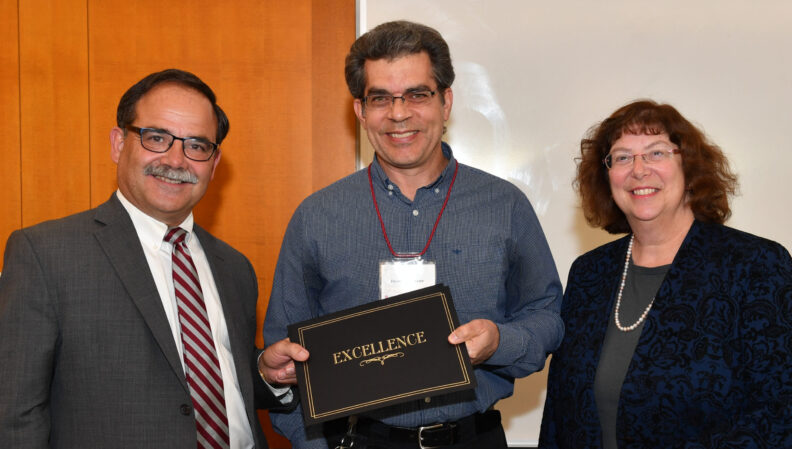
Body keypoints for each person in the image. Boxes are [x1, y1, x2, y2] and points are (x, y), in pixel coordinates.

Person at [259, 20, 563, 449]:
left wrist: (501, 340)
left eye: (417, 94)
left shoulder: (505, 205)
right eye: (380, 97)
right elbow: (283, 353)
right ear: (360, 111)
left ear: (446, 102)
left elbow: (548, 315)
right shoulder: (316, 217)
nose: (399, 114)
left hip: (472, 439)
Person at [0, 68, 298, 448]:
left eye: (196, 145)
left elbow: (212, 378)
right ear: (118, 144)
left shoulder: (234, 267)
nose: (176, 161)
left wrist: (264, 374)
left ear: (214, 162)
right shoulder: (46, 255)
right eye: (156, 138)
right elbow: (14, 415)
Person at [539, 99, 792, 448]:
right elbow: (559, 415)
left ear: (689, 167)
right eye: (622, 157)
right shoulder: (589, 273)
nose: (639, 170)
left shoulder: (756, 265)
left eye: (656, 153)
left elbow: (779, 413)